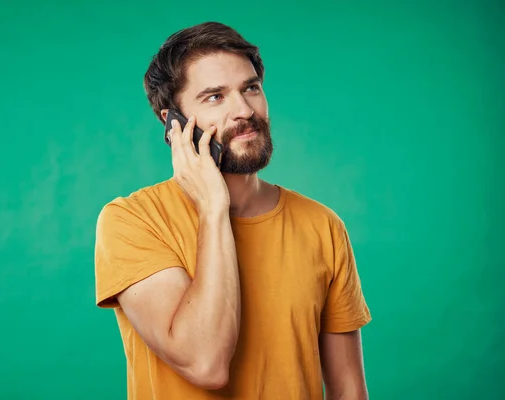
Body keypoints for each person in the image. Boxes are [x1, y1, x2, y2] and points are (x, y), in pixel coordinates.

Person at [94, 21, 372, 400]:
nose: (244, 110)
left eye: (251, 88)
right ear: (173, 123)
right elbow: (205, 363)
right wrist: (213, 208)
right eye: (215, 97)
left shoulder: (322, 225)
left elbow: (349, 391)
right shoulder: (133, 220)